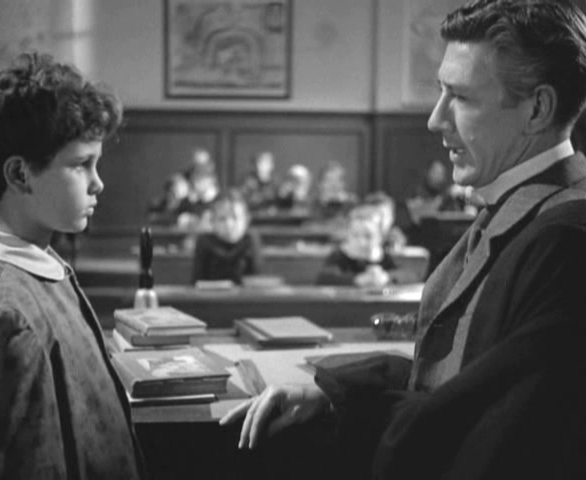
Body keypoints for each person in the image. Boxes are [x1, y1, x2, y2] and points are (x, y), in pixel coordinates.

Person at [220, 1, 586, 478]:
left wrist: (353, 411)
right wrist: (332, 393)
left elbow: (491, 433)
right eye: (440, 91)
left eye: (461, 97)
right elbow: (461, 377)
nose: (435, 119)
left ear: (537, 109)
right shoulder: (521, 208)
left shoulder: (565, 242)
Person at [0, 52, 145, 479]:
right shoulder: (7, 319)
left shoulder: (43, 269)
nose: (98, 182)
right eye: (81, 164)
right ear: (20, 175)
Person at [316, 193, 413, 287]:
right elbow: (324, 278)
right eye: (355, 235)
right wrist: (357, 280)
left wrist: (386, 277)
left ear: (379, 238)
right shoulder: (340, 256)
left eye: (368, 236)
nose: (361, 242)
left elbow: (408, 275)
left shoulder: (382, 257)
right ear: (348, 236)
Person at [191, 189, 262, 285]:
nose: (229, 224)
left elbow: (256, 281)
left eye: (235, 217)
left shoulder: (250, 240)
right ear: (212, 221)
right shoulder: (204, 242)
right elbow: (196, 283)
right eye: (222, 219)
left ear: (247, 219)